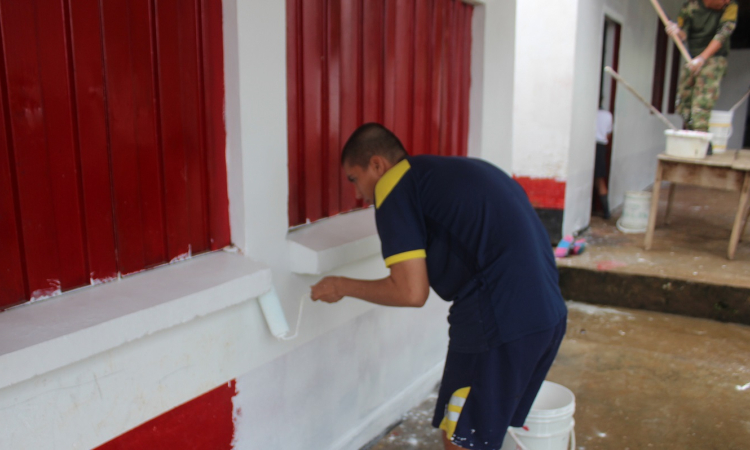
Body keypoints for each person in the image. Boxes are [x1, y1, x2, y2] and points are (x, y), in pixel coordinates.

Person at [310, 123, 568, 450]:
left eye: (354, 178)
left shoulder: (394, 188)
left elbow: (410, 292)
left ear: (377, 165)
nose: (358, 192)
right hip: (548, 316)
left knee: (463, 438)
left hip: (496, 324)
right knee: (482, 432)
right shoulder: (453, 171)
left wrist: (341, 285)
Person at [666, 0, 738, 132]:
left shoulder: (730, 6)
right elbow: (683, 34)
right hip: (692, 58)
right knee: (683, 104)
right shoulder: (690, 7)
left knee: (701, 104)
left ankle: (701, 138)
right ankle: (694, 134)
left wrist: (702, 58)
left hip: (715, 58)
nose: (727, 1)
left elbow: (722, 36)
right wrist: (676, 31)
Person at [595, 106, 613, 219]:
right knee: (600, 181)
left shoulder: (589, 113)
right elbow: (608, 134)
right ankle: (606, 212)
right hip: (600, 147)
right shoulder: (607, 115)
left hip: (587, 145)